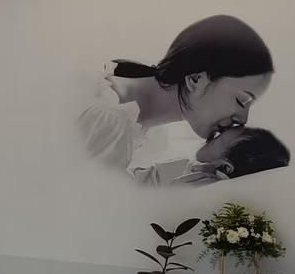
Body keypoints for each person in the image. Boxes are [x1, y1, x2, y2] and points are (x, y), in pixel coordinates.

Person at [79, 15, 276, 179]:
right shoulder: (106, 118)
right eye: (241, 100)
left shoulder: (150, 136)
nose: (243, 119)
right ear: (196, 79)